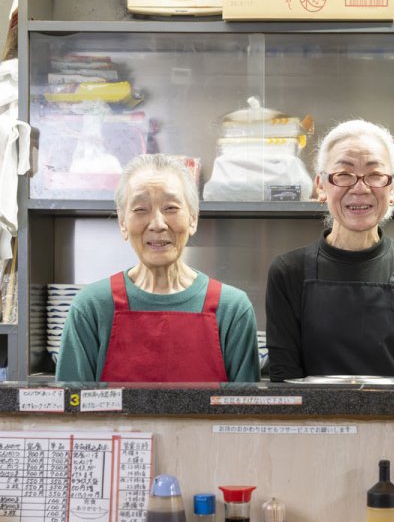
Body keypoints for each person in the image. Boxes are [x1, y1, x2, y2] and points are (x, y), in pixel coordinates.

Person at [265, 119, 394, 383]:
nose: (360, 188)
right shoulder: (289, 271)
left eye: (375, 175)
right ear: (321, 186)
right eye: (343, 174)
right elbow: (283, 380)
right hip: (314, 422)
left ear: (392, 188)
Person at [56, 153, 259, 383]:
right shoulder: (91, 308)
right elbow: (70, 414)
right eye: (141, 209)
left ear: (193, 218)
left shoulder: (232, 310)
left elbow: (243, 413)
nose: (157, 224)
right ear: (123, 222)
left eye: (171, 208)